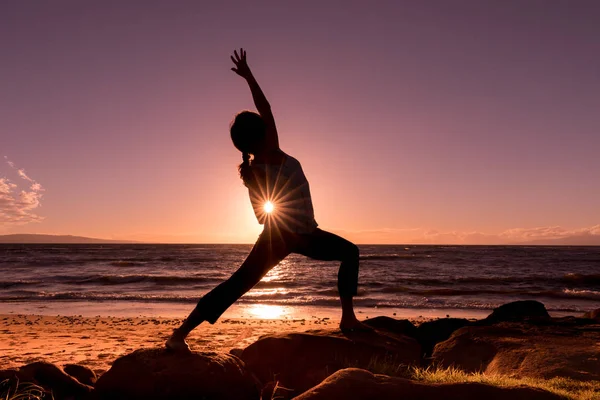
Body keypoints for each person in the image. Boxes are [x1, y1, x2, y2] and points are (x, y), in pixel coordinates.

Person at [166, 48, 368, 351]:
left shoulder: (256, 165)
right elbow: (267, 107)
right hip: (289, 235)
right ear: (261, 134)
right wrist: (249, 77)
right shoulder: (269, 155)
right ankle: (178, 335)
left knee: (347, 253)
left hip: (298, 234)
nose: (269, 122)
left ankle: (179, 334)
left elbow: (263, 213)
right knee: (239, 284)